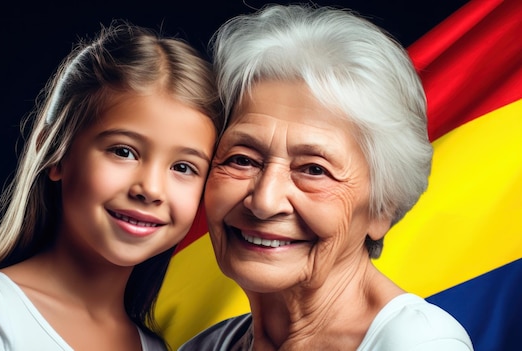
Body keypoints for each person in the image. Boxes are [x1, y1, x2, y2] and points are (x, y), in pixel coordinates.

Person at [179, 4, 474, 351]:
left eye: (314, 170)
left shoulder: (418, 344)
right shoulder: (207, 346)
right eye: (243, 159)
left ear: (382, 207)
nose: (264, 201)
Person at [0, 20, 223, 351]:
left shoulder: (158, 347)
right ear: (56, 153)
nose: (150, 189)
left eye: (183, 167)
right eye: (123, 151)